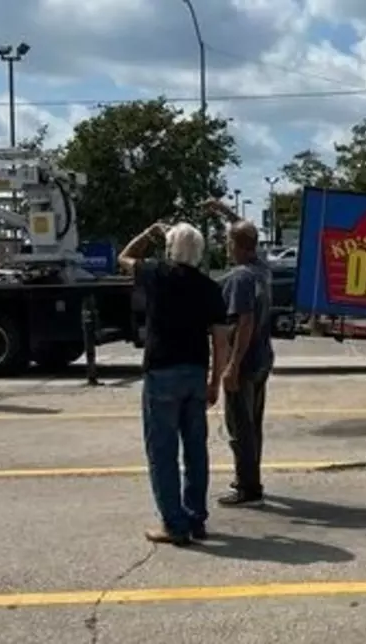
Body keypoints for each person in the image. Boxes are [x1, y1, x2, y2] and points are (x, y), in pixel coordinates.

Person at [118, 222, 229, 546]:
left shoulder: (156, 274)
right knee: (196, 450)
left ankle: (174, 523)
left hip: (162, 371)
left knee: (163, 451)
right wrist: (215, 383)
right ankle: (195, 518)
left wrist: (149, 232)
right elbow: (221, 342)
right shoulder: (210, 288)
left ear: (170, 249)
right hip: (195, 373)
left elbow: (125, 256)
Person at [219, 220, 274, 507]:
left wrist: (232, 365)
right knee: (253, 424)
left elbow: (245, 321)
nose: (226, 247)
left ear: (236, 246)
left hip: (245, 361)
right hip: (262, 359)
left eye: (229, 242)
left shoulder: (240, 277)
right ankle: (251, 477)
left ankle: (247, 486)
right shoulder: (261, 270)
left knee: (240, 427)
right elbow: (248, 234)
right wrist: (228, 214)